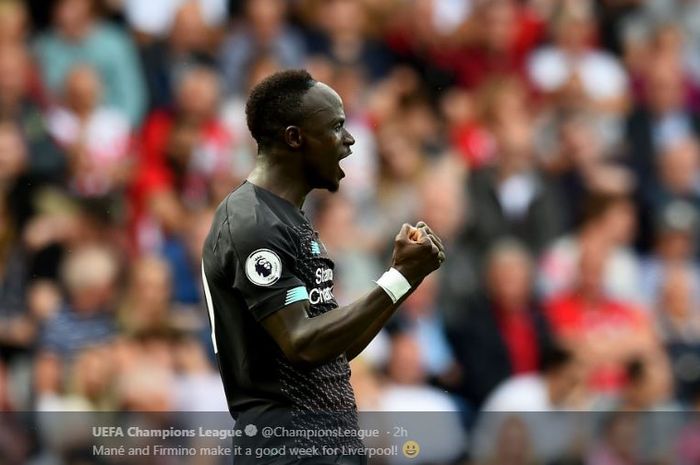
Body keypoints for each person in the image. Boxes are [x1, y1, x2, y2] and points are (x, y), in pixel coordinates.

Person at [200, 69, 446, 464]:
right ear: (295, 138)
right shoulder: (252, 223)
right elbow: (302, 343)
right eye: (336, 127)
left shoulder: (289, 218)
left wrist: (404, 280)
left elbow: (333, 349)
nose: (349, 141)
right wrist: (399, 277)